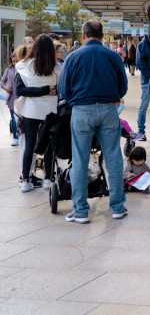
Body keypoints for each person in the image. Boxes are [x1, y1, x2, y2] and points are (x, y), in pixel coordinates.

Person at [57, 20, 128, 223]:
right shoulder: (113, 56)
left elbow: (63, 88)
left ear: (83, 35)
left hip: (81, 110)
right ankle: (117, 206)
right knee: (113, 157)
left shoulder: (73, 57)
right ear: (103, 36)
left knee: (79, 160)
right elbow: (122, 87)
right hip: (108, 110)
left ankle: (80, 210)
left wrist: (76, 100)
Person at [14, 35, 61, 192]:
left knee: (29, 145)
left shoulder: (23, 66)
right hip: (50, 111)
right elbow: (60, 89)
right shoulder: (56, 68)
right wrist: (46, 90)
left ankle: (25, 179)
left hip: (30, 111)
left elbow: (19, 90)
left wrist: (40, 91)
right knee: (48, 146)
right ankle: (48, 179)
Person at [1, 50, 21, 146]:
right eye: (13, 61)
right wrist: (5, 87)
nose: (15, 63)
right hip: (12, 98)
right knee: (13, 119)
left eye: (16, 61)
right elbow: (2, 82)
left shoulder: (23, 69)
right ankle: (15, 137)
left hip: (22, 98)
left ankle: (21, 135)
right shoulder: (9, 70)